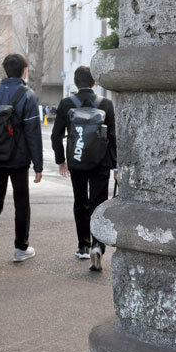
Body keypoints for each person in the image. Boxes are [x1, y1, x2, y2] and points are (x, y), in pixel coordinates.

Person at [0, 53, 43, 270]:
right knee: (21, 201)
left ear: (4, 70)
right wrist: (38, 165)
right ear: (25, 70)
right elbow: (33, 132)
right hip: (18, 158)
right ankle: (20, 248)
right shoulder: (27, 95)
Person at [51, 66, 117, 271]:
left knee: (80, 202)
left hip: (77, 161)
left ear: (76, 82)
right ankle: (98, 245)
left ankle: (83, 245)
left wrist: (61, 160)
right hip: (101, 162)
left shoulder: (66, 104)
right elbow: (113, 136)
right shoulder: (105, 104)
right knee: (98, 203)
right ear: (94, 82)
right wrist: (115, 165)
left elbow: (55, 135)